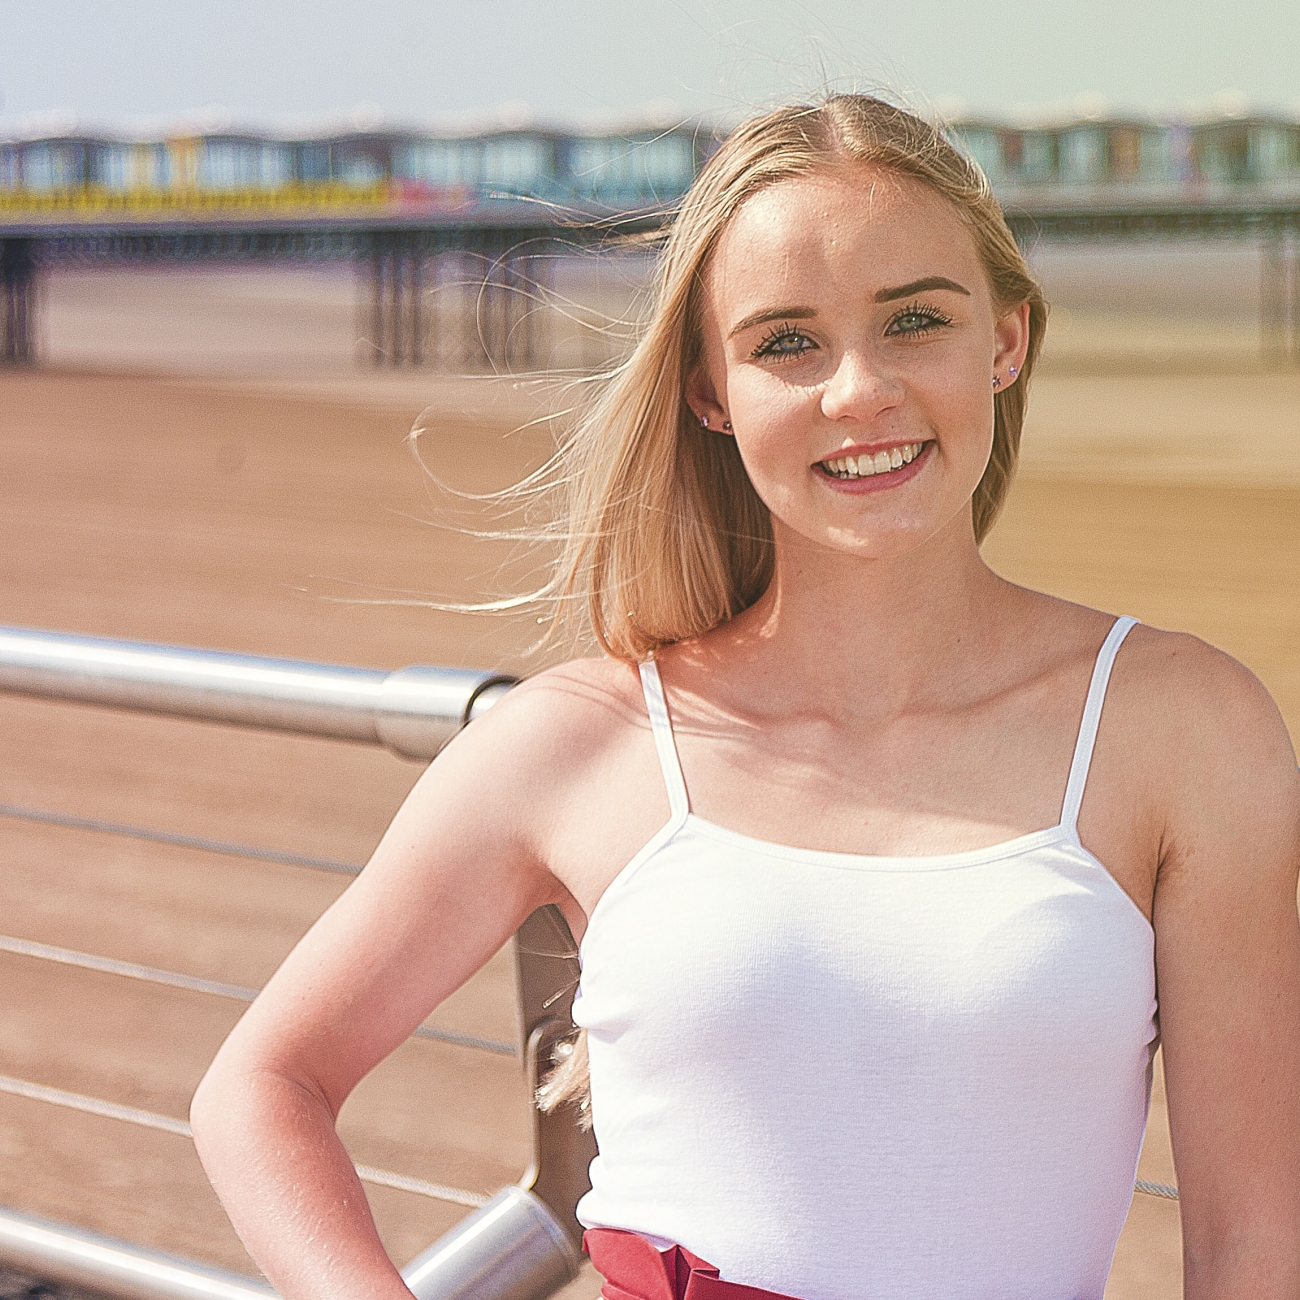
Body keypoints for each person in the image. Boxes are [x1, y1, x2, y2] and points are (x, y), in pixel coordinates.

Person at [190, 95, 1300, 1300]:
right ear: (710, 391)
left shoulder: (1183, 727)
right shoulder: (582, 743)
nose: (858, 391)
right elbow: (261, 1088)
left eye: (914, 319)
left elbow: (1251, 1247)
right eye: (787, 343)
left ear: (1007, 340)